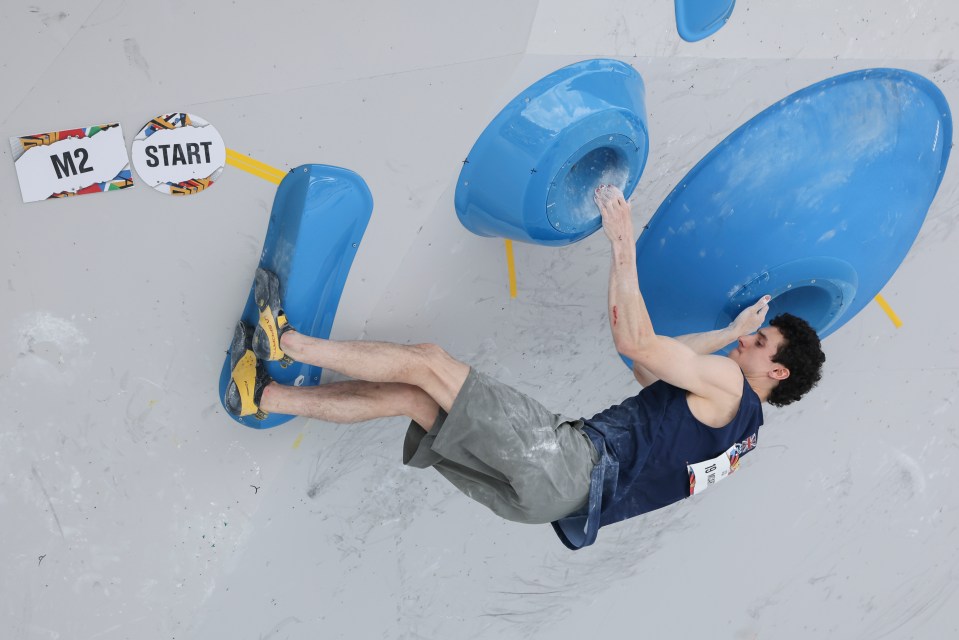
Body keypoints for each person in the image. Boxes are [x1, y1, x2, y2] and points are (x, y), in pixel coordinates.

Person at [225, 185, 825, 549]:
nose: (745, 346)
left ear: (778, 372)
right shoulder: (739, 436)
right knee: (415, 399)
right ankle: (267, 397)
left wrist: (623, 242)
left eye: (759, 343)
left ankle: (288, 343)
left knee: (430, 362)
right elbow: (648, 367)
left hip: (565, 462)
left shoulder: (728, 385)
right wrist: (728, 331)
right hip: (546, 505)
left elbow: (641, 343)